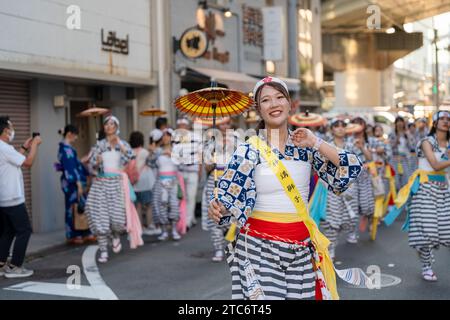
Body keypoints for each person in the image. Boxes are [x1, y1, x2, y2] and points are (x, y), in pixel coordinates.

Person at [208, 77, 363, 300]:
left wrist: (315, 143)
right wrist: (220, 208)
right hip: (259, 247)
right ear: (258, 109)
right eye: (266, 100)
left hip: (301, 246)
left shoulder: (304, 146)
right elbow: (230, 199)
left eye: (280, 97)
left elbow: (352, 168)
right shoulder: (248, 150)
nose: (274, 104)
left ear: (290, 104)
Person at [384, 111, 450, 281]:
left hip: (443, 190)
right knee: (426, 232)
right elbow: (435, 165)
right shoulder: (426, 141)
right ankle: (426, 266)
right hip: (424, 190)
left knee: (446, 230)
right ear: (434, 123)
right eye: (442, 119)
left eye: (448, 119)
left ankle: (426, 258)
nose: (445, 121)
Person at [85, 116, 143, 263]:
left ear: (117, 127)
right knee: (101, 220)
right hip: (101, 184)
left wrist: (121, 146)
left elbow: (131, 157)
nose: (109, 126)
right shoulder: (99, 145)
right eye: (107, 124)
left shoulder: (122, 143)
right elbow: (91, 164)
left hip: (117, 185)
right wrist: (96, 161)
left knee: (118, 220)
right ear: (104, 128)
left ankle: (115, 235)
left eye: (112, 124)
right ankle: (104, 251)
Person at [311, 119, 360, 260]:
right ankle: (330, 247)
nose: (340, 128)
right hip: (330, 186)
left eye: (343, 125)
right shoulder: (325, 145)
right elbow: (317, 165)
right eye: (336, 126)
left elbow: (358, 165)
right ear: (331, 129)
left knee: (349, 219)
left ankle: (347, 234)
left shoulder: (352, 146)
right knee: (331, 219)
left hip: (349, 187)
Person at [0, 116, 42, 278]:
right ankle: (15, 266)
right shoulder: (4, 148)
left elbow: (15, 159)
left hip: (4, 197)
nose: (12, 130)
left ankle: (1, 263)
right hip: (12, 197)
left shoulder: (3, 148)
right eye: (11, 127)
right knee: (24, 230)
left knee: (8, 231)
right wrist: (35, 145)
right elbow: (28, 162)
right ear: (5, 131)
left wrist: (25, 147)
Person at [201, 117, 240, 262]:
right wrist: (213, 159)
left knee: (232, 215)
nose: (224, 126)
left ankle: (232, 244)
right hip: (214, 180)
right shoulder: (210, 142)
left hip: (231, 181)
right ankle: (218, 248)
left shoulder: (237, 141)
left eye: (227, 123)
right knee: (215, 214)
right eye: (222, 123)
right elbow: (206, 167)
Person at [56, 125, 95, 245]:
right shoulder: (65, 149)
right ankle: (75, 234)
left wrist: (83, 162)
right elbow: (70, 168)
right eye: (75, 134)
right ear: (69, 134)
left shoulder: (68, 148)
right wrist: (78, 183)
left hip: (74, 181)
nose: (77, 137)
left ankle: (83, 232)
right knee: (74, 208)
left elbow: (74, 164)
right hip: (72, 183)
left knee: (79, 207)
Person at [150, 128, 183, 241]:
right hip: (160, 181)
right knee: (161, 205)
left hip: (173, 181)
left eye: (167, 135)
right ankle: (164, 230)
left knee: (174, 204)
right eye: (163, 136)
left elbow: (182, 165)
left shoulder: (177, 150)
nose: (165, 138)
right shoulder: (157, 151)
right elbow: (150, 163)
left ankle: (174, 229)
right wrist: (152, 152)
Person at [172, 117, 202, 229]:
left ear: (188, 126)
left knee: (191, 196)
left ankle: (188, 221)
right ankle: (187, 217)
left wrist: (199, 171)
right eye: (179, 126)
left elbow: (200, 155)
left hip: (193, 171)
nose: (181, 128)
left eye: (183, 125)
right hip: (180, 172)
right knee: (181, 196)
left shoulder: (196, 137)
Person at [128, 131, 158, 236]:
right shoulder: (145, 152)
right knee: (149, 204)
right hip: (145, 182)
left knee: (138, 206)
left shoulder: (129, 152)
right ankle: (149, 225)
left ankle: (140, 227)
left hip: (134, 183)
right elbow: (152, 163)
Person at [389, 116, 415, 190]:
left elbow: (412, 146)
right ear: (395, 123)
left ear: (404, 123)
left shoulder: (407, 133)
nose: (400, 123)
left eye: (401, 121)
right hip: (395, 159)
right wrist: (395, 141)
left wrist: (408, 135)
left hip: (405, 159)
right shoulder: (392, 134)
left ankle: (405, 197)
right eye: (398, 121)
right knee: (396, 180)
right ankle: (397, 197)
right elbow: (389, 146)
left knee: (406, 178)